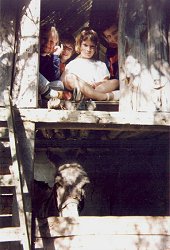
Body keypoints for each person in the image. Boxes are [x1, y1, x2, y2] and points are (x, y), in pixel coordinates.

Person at [60, 28, 119, 101]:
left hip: (96, 89)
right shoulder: (72, 63)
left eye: (92, 46)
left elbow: (105, 81)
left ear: (96, 48)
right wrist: (85, 85)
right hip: (81, 88)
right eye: (85, 45)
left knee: (115, 82)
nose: (88, 49)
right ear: (79, 45)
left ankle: (86, 97)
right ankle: (102, 97)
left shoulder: (100, 64)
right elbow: (63, 82)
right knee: (69, 77)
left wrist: (97, 83)